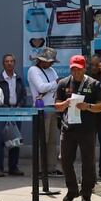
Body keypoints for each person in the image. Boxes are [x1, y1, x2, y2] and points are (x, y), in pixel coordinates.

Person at [54, 55, 101, 201]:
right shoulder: (63, 83)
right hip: (68, 128)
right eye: (73, 69)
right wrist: (65, 103)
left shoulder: (93, 84)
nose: (76, 72)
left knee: (88, 162)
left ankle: (86, 193)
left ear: (84, 69)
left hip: (87, 130)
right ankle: (72, 190)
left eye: (79, 69)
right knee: (65, 160)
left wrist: (87, 106)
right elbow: (56, 105)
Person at [0, 53, 27, 177]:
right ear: (3, 64)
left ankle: (13, 167)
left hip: (16, 112)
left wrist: (19, 106)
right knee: (0, 140)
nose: (9, 63)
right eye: (7, 61)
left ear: (14, 63)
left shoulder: (19, 78)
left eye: (11, 61)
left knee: (15, 140)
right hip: (3, 112)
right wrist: (3, 106)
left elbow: (23, 95)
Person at [28, 47, 61, 176]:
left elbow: (58, 85)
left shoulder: (52, 70)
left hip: (53, 107)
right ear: (42, 60)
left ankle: (51, 167)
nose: (52, 64)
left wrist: (56, 84)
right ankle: (40, 169)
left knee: (52, 139)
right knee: (42, 139)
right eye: (50, 61)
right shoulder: (33, 70)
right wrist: (56, 83)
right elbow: (41, 88)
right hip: (41, 108)